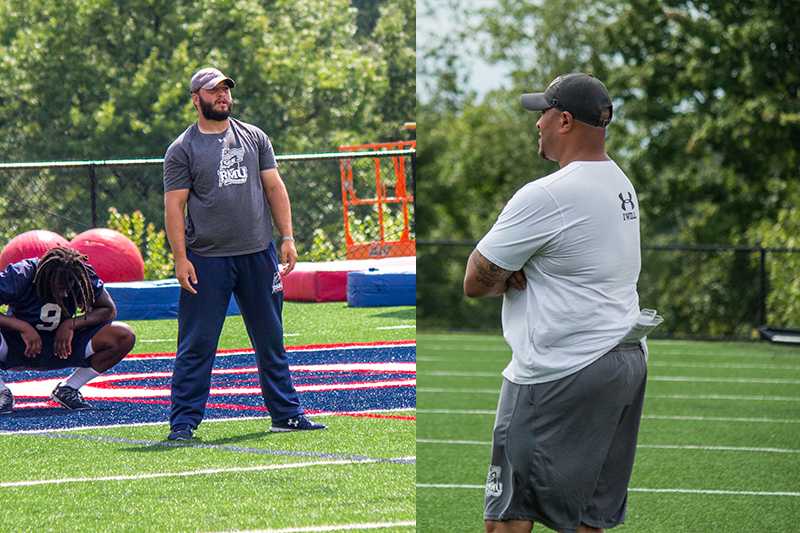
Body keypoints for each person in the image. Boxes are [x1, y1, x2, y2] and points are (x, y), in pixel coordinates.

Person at [463, 73, 648, 533]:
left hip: (560, 365)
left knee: (507, 518)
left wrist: (505, 273)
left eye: (542, 114)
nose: (537, 124)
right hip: (626, 357)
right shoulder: (620, 182)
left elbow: (475, 280)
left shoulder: (547, 193)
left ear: (564, 120)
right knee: (588, 520)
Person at [162, 67, 325, 441]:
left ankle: (286, 413)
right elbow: (175, 208)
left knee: (271, 337)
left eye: (225, 90)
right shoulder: (182, 149)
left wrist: (287, 236)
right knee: (197, 343)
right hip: (207, 259)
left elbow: (274, 186)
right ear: (196, 98)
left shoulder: (254, 137)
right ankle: (183, 423)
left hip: (257, 254)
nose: (222, 96)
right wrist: (180, 258)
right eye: (213, 91)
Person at [0, 246, 136, 413]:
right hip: (17, 346)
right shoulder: (21, 274)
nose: (64, 293)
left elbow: (108, 309)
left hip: (62, 346)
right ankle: (2, 393)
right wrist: (22, 326)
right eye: (60, 286)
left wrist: (71, 324)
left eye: (69, 285)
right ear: (44, 276)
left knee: (123, 335)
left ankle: (69, 388)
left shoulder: (79, 273)